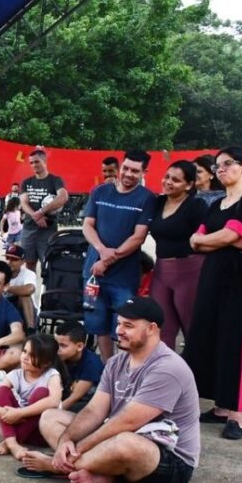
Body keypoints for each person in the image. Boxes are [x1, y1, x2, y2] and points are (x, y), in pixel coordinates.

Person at [22, 298, 200, 483]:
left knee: (126, 442)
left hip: (167, 459)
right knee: (50, 417)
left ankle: (58, 466)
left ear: (151, 329)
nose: (119, 330)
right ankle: (97, 472)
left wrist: (77, 449)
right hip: (119, 438)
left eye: (128, 325)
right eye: (118, 323)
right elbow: (94, 410)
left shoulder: (168, 368)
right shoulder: (116, 362)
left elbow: (128, 421)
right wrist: (66, 441)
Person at [184, 146, 242, 440]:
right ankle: (219, 406)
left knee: (235, 341)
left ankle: (236, 413)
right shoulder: (216, 205)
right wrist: (210, 239)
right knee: (208, 336)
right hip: (211, 279)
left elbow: (233, 234)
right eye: (217, 166)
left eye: (227, 164)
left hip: (240, 283)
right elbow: (195, 241)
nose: (221, 170)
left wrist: (211, 239)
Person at [82, 149, 156, 360]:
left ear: (144, 172)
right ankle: (108, 369)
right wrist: (102, 251)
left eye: (135, 170)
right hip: (93, 273)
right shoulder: (100, 191)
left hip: (123, 277)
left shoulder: (147, 198)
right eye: (126, 168)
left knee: (125, 326)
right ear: (120, 166)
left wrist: (107, 259)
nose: (128, 174)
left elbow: (138, 237)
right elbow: (87, 226)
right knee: (99, 325)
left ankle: (126, 371)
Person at [147, 160, 207, 350]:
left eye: (176, 180)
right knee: (162, 327)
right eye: (167, 177)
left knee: (192, 327)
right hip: (161, 271)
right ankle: (166, 373)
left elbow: (206, 238)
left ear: (189, 185)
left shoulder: (196, 206)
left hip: (190, 272)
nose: (168, 182)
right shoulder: (158, 202)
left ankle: (198, 374)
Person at [0, 334, 63, 459]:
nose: (25, 357)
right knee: (2, 391)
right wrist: (2, 412)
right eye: (25, 351)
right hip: (19, 425)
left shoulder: (52, 375)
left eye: (32, 355)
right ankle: (12, 444)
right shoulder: (16, 374)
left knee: (42, 393)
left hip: (41, 432)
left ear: (46, 363)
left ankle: (8, 443)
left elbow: (54, 401)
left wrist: (20, 413)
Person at [19, 148, 69, 271]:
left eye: (36, 162)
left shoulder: (55, 180)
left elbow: (63, 197)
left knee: (48, 265)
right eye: (31, 163)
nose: (34, 165)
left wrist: (42, 211)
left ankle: (46, 291)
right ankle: (30, 290)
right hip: (29, 229)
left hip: (48, 230)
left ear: (44, 161)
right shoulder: (27, 182)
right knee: (29, 264)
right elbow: (24, 203)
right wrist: (36, 216)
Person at [54, 320, 104, 413]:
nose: (57, 349)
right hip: (65, 397)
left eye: (63, 346)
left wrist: (52, 412)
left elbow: (75, 397)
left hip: (86, 403)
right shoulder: (60, 357)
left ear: (80, 346)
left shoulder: (92, 363)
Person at [3, 244, 40, 331]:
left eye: (14, 259)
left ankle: (31, 329)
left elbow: (30, 289)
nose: (9, 262)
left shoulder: (29, 273)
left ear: (23, 262)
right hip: (4, 305)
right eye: (7, 258)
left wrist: (8, 288)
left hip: (24, 308)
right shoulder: (1, 271)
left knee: (25, 296)